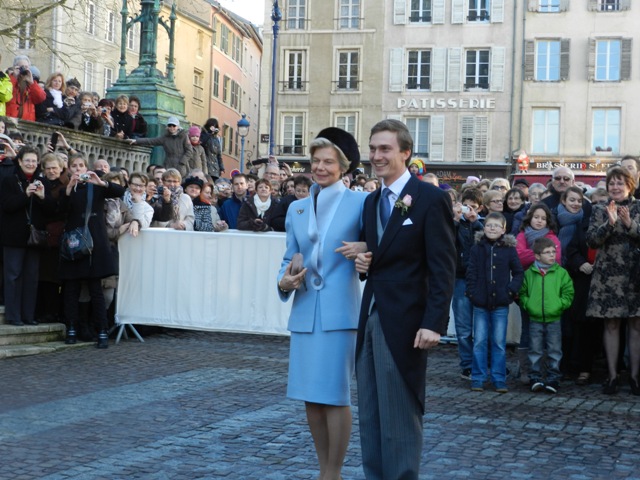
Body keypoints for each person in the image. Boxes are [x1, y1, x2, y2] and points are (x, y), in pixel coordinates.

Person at [354, 119, 456, 479]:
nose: (376, 156)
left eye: (385, 149)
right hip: (369, 316)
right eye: (372, 148)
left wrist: (433, 323)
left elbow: (444, 268)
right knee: (370, 413)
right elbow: (378, 256)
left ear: (406, 152)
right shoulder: (370, 201)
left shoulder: (431, 198)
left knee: (399, 415)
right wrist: (365, 262)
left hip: (407, 322)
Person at [277, 127, 366, 480]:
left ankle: (334, 472)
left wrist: (364, 249)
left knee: (335, 394)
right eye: (316, 161)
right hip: (304, 312)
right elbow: (288, 257)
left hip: (339, 314)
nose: (321, 167)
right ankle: (322, 469)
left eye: (328, 161)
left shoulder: (360, 203)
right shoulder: (297, 208)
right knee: (310, 397)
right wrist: (284, 280)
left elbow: (379, 246)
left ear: (342, 166)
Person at [60, 153, 125, 348]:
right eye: (74, 166)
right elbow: (60, 210)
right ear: (70, 169)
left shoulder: (95, 187)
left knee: (96, 289)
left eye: (81, 165)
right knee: (72, 289)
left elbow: (120, 191)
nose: (78, 168)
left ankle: (102, 330)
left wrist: (102, 183)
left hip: (94, 242)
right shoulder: (68, 188)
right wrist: (69, 188)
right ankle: (71, 327)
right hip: (74, 242)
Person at [586, 166, 640, 395]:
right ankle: (612, 375)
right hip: (608, 275)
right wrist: (609, 223)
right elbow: (592, 241)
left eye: (620, 183)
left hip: (635, 273)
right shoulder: (599, 209)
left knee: (636, 325)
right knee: (611, 324)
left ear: (629, 185)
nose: (615, 187)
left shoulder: (638, 207)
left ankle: (635, 377)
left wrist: (630, 224)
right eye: (612, 183)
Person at [466, 212, 523, 393]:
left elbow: (519, 273)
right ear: (484, 227)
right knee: (479, 341)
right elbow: (471, 273)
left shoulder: (509, 249)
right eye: (489, 225)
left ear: (503, 229)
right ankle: (478, 377)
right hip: (480, 302)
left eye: (496, 226)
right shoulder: (477, 248)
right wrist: (473, 293)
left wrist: (510, 291)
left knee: (498, 342)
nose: (492, 229)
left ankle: (499, 379)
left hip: (500, 302)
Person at [0, 146, 51, 326]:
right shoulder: (9, 181)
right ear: (20, 161)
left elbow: (51, 211)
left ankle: (28, 315)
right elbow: (7, 205)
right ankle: (14, 316)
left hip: (34, 239)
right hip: (13, 237)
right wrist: (26, 194)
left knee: (31, 278)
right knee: (13, 276)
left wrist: (43, 197)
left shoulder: (41, 181)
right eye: (27, 160)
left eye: (34, 161)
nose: (31, 164)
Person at [520, 237, 574, 394]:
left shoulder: (561, 273)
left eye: (553, 252)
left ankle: (553, 377)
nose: (552, 255)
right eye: (547, 252)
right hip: (535, 318)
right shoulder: (529, 274)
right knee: (535, 349)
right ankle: (535, 377)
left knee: (554, 349)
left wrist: (560, 305)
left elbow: (568, 292)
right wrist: (528, 304)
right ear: (537, 256)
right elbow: (522, 293)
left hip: (554, 318)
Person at [451, 188, 484, 380]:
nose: (468, 209)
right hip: (460, 277)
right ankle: (467, 364)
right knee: (463, 327)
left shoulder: (482, 224)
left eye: (473, 206)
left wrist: (476, 223)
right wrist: (456, 220)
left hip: (479, 279)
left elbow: (486, 243)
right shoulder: (454, 223)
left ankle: (481, 363)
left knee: (481, 327)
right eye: (466, 205)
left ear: (480, 207)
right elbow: (447, 240)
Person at [5, 55, 46, 121]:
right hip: (10, 120)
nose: (23, 69)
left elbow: (40, 98)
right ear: (15, 67)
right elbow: (5, 94)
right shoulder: (8, 80)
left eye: (26, 67)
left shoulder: (31, 83)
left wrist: (32, 83)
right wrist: (14, 77)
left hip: (27, 122)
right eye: (21, 67)